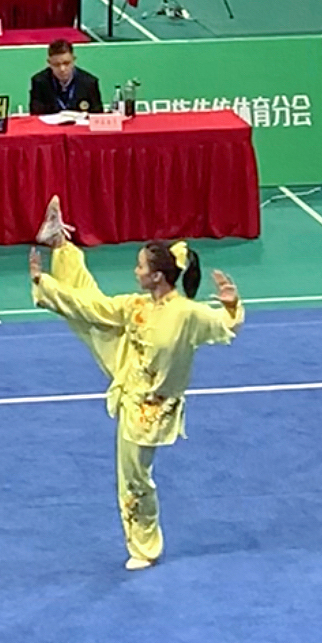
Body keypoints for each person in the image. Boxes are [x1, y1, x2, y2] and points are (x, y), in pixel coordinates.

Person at [28, 196, 243, 570]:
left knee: (135, 479)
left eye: (140, 266)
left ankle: (146, 547)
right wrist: (43, 281)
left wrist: (230, 304)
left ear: (157, 276)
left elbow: (226, 326)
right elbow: (92, 306)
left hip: (151, 411)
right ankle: (61, 246)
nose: (135, 270)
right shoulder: (136, 305)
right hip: (126, 371)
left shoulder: (188, 314)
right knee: (91, 313)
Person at [29, 39, 103, 115]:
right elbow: (35, 115)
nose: (62, 69)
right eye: (56, 64)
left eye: (66, 63)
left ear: (73, 60)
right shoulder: (39, 82)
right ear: (49, 63)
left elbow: (97, 115)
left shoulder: (89, 82)